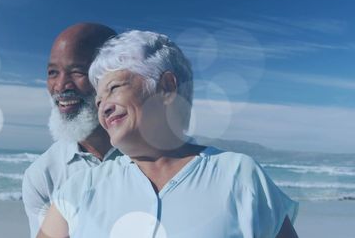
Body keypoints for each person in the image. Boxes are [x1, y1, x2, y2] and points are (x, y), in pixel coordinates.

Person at [37, 30, 298, 238]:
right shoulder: (80, 189)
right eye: (98, 100)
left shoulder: (238, 176)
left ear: (167, 86)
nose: (103, 105)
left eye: (114, 88)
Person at [22, 23, 120, 238]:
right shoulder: (43, 175)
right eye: (52, 72)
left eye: (77, 71)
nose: (60, 85)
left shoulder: (158, 158)